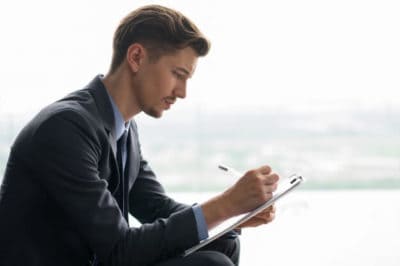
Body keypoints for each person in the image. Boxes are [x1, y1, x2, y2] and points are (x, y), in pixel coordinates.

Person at [0, 5, 279, 266]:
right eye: (177, 74)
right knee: (212, 264)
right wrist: (224, 204)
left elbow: (157, 207)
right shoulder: (66, 127)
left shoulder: (124, 128)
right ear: (136, 58)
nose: (182, 92)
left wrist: (231, 214)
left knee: (224, 243)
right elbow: (119, 248)